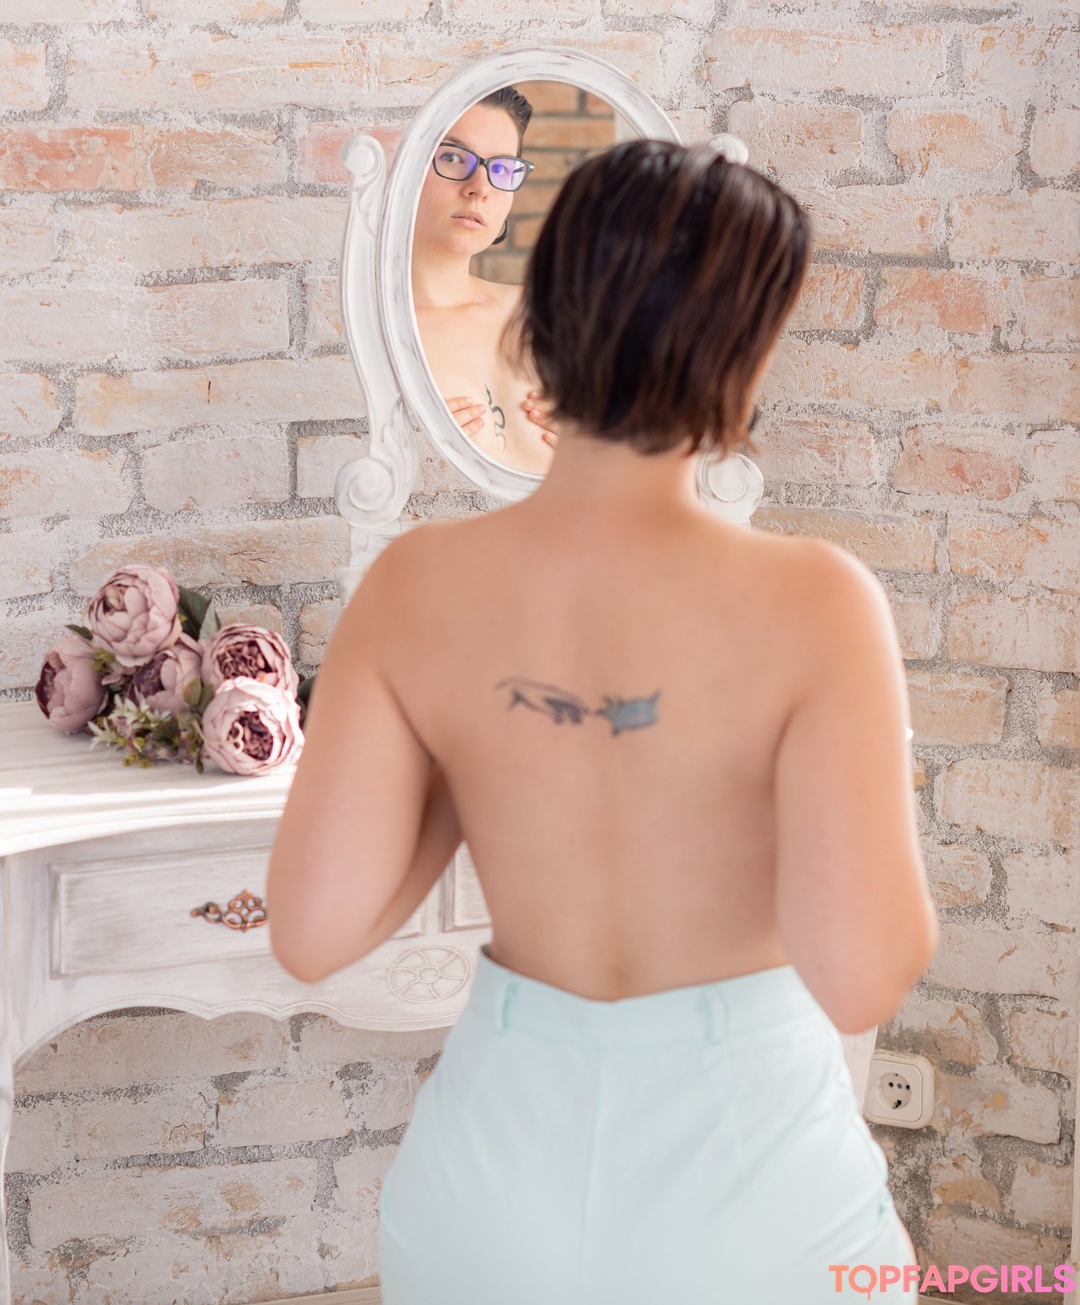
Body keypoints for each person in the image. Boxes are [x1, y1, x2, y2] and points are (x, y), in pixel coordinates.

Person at [267, 140, 939, 1301]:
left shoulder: (414, 586)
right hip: (754, 1195)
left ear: (544, 314)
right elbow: (863, 974)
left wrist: (469, 765)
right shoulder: (818, 603)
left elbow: (311, 933)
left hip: (488, 1194)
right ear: (746, 348)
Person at [411, 85, 557, 474]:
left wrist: (600, 440)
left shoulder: (548, 312)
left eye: (502, 169)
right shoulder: (379, 330)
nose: (480, 188)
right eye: (453, 157)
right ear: (408, 166)